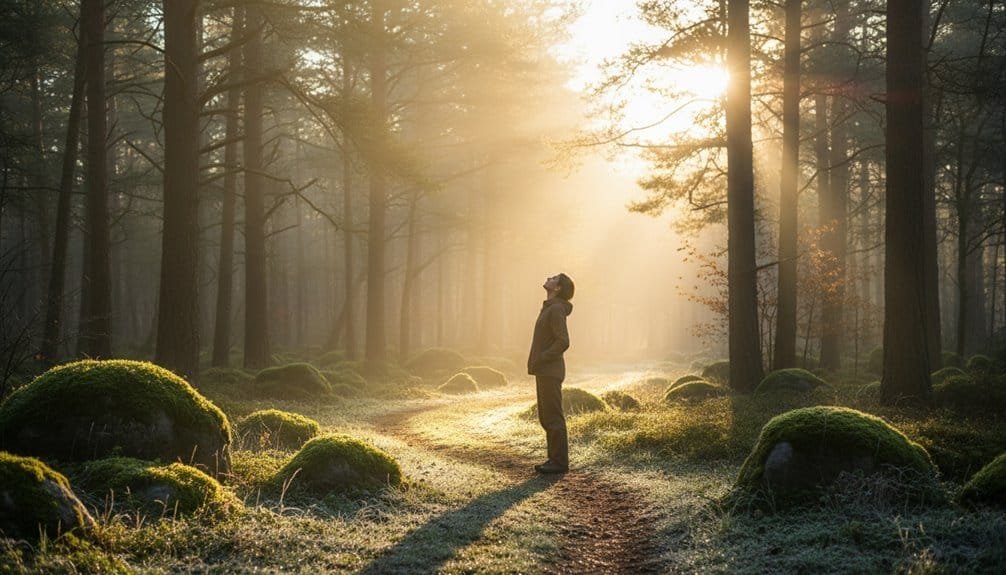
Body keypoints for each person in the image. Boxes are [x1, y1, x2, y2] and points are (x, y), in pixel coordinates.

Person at [527, 273, 574, 474]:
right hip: (544, 369)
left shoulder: (555, 309)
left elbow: (563, 340)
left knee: (553, 417)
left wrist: (544, 357)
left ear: (558, 288)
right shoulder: (550, 308)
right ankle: (553, 459)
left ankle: (559, 463)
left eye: (554, 277)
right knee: (546, 417)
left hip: (550, 370)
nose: (549, 277)